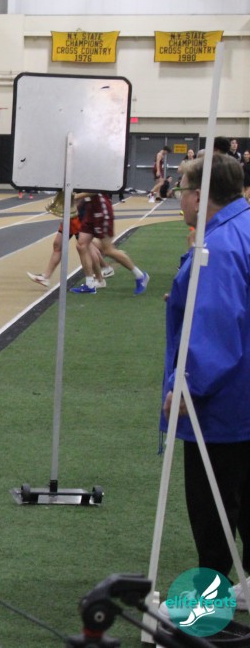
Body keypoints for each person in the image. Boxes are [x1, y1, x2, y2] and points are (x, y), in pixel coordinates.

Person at [162, 155, 250, 604]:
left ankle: (209, 604)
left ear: (198, 196)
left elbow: (217, 326)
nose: (178, 196)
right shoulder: (242, 228)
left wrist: (187, 384)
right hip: (243, 394)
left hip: (223, 404)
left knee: (211, 502)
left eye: (181, 188)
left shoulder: (219, 247)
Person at [69, 192, 149, 295]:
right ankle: (90, 285)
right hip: (91, 208)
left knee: (108, 250)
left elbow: (96, 189)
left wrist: (75, 196)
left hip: (102, 208)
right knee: (81, 245)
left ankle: (140, 276)